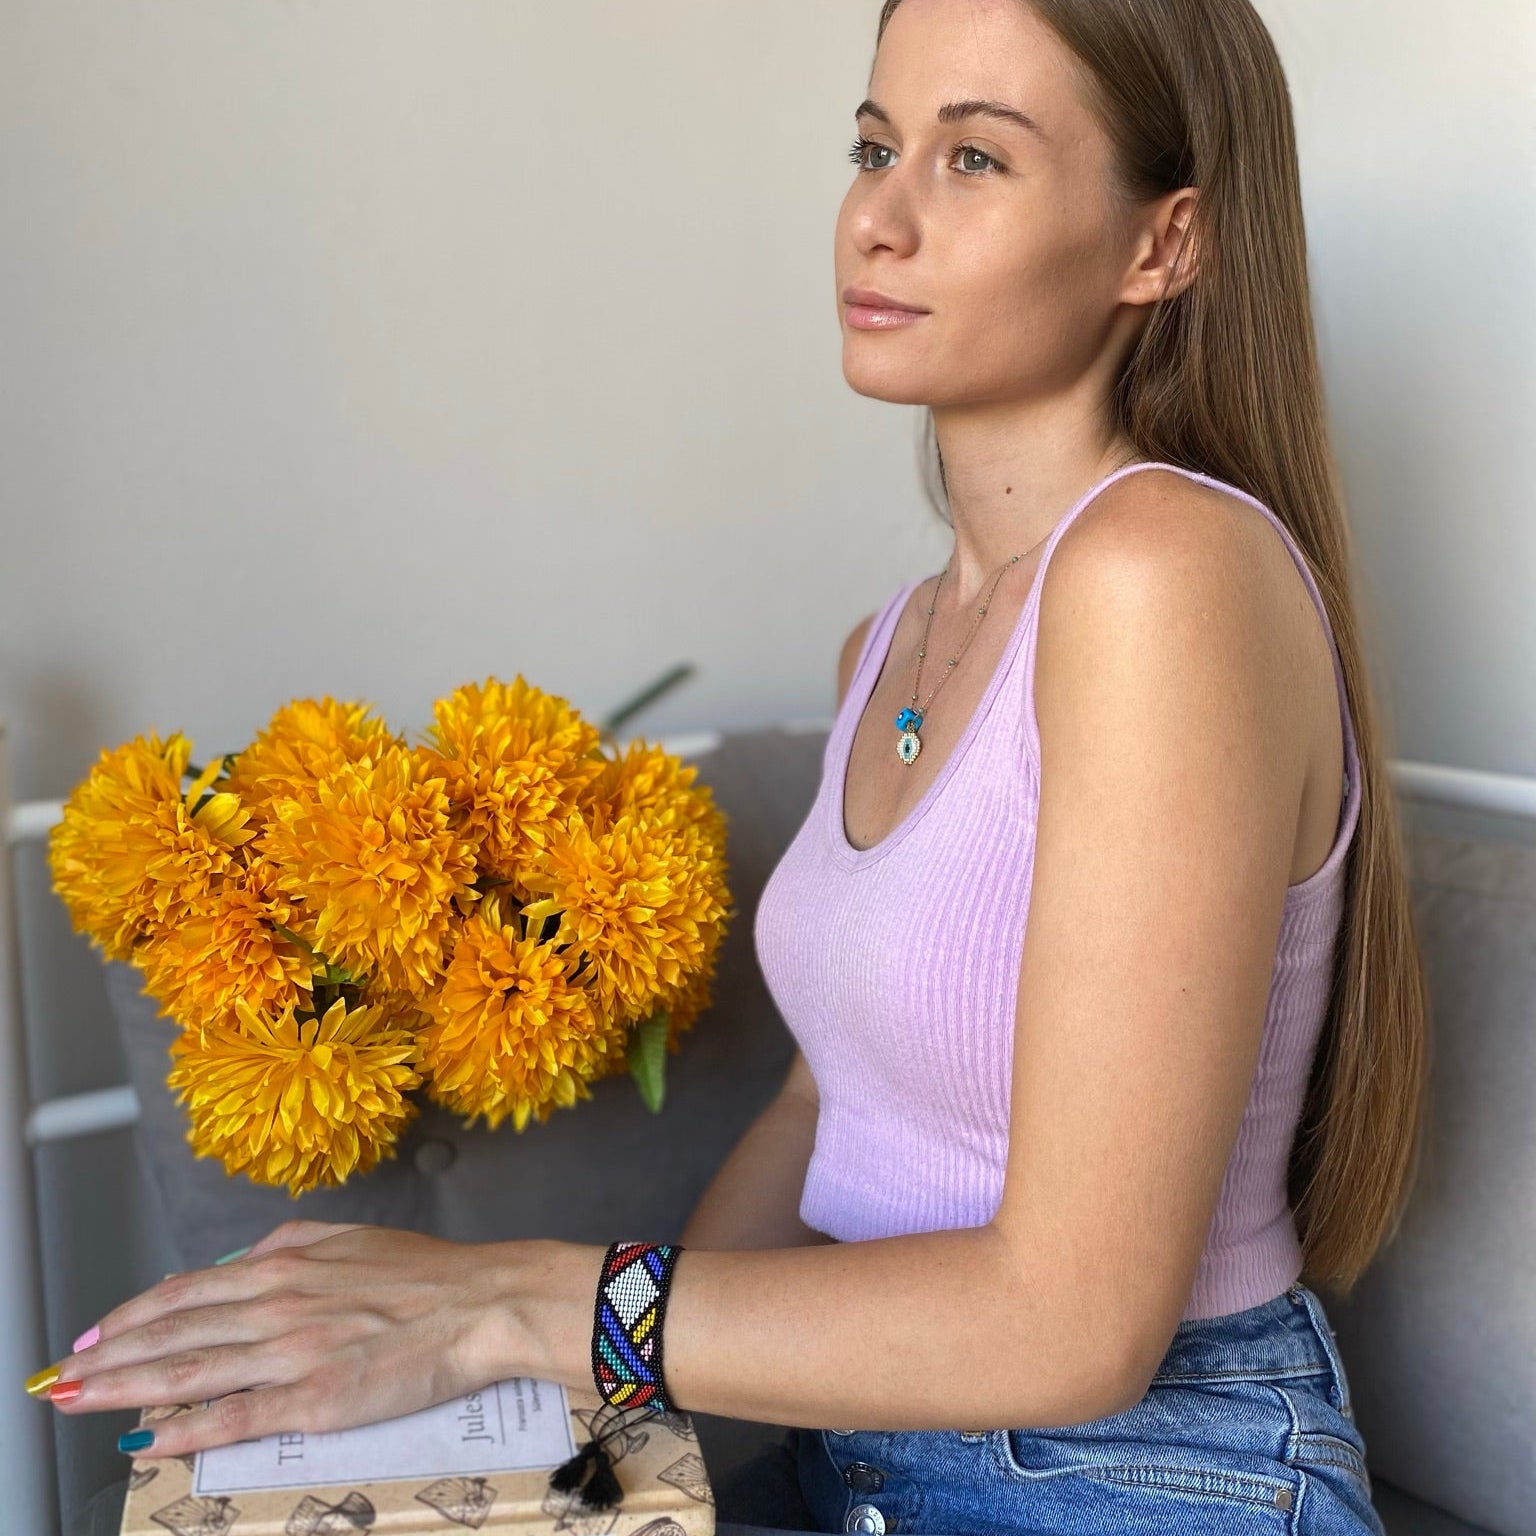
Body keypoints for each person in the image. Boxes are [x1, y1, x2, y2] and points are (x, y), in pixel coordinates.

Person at [32, 3, 1427, 1535]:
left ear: (1163, 242)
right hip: (865, 1458)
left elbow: (1073, 1326)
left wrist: (509, 1307)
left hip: (1144, 1475)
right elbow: (826, 1110)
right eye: (874, 147)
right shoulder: (885, 649)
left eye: (974, 157)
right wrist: (586, 1434)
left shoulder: (1167, 572)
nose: (878, 218)